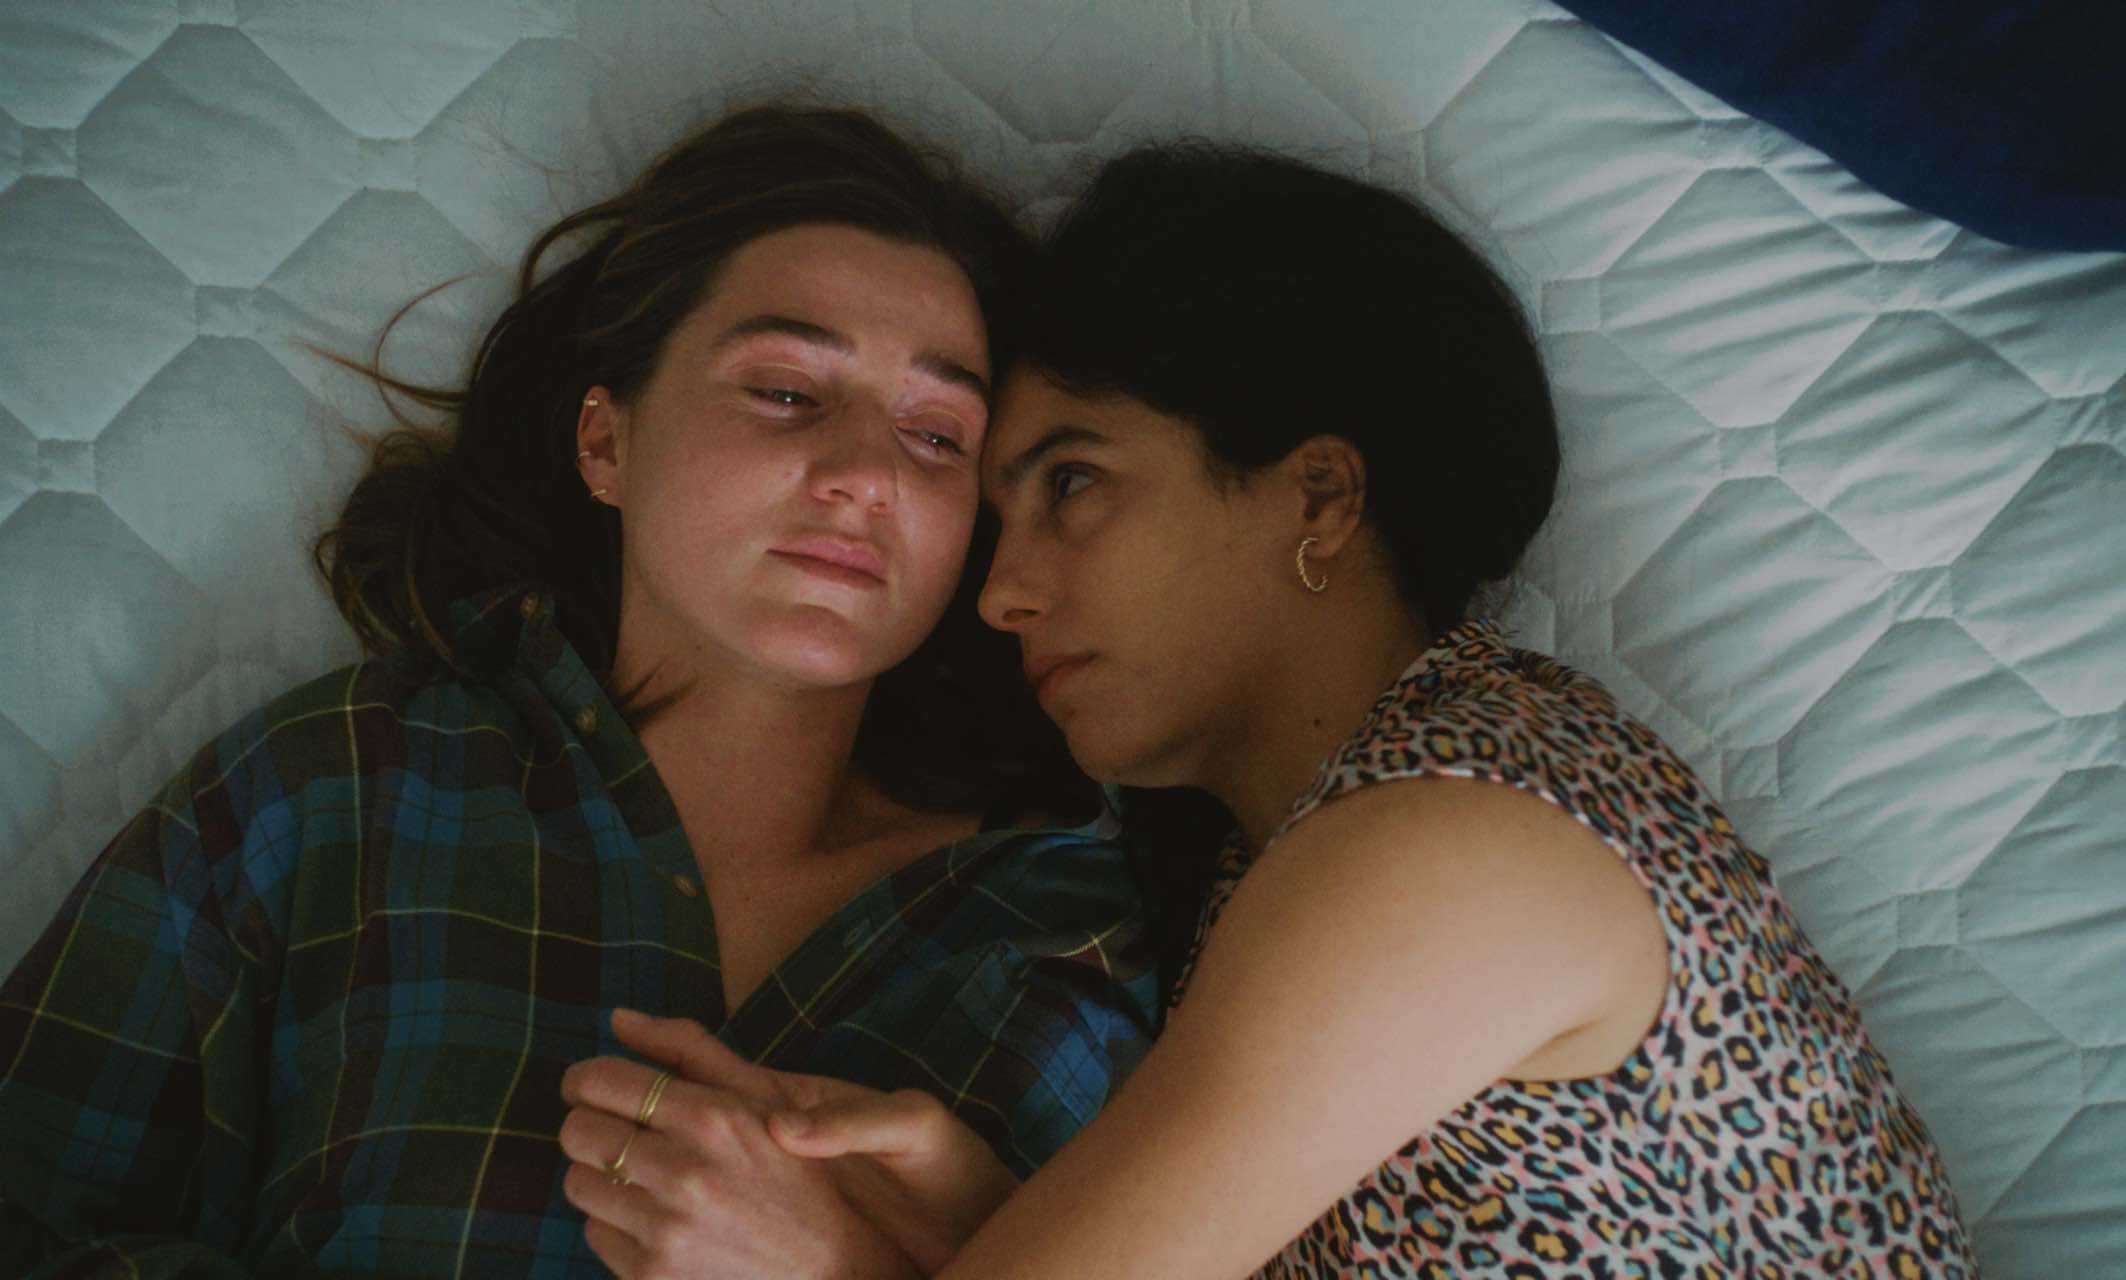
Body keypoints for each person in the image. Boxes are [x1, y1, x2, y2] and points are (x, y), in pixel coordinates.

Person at [567, 142, 1982, 1278]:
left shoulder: (1453, 832)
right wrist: (974, 1218)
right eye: (997, 516)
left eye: (1072, 483)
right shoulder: (1281, 880)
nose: (999, 593)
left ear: (1317, 498)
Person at [0, 105, 1164, 1277]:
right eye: (784, 391)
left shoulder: (1056, 920)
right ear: (604, 442)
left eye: (935, 435)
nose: (865, 473)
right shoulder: (339, 780)